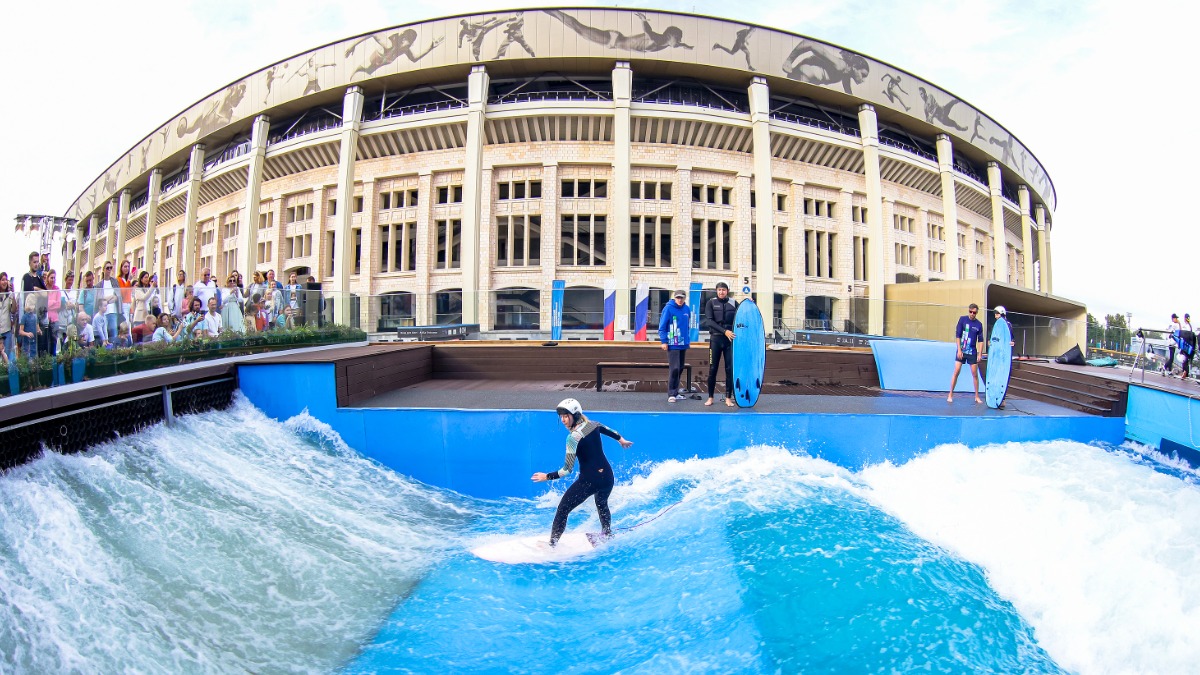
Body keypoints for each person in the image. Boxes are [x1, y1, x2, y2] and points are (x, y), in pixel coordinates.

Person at [532, 398, 633, 547]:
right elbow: (611, 432)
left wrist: (546, 476)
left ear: (575, 415)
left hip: (589, 481)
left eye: (566, 416)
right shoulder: (593, 424)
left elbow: (567, 470)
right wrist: (621, 440)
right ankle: (607, 533)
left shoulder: (573, 438)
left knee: (563, 509)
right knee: (602, 503)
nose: (563, 420)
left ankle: (552, 545)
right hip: (607, 477)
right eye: (561, 417)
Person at [701, 282, 738, 408]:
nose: (721, 292)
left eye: (724, 290)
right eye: (719, 290)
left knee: (729, 369)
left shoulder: (733, 303)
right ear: (716, 291)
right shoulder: (711, 303)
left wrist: (749, 303)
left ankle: (728, 398)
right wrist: (724, 331)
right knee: (713, 369)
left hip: (729, 341)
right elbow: (709, 322)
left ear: (727, 291)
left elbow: (743, 313)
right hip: (716, 340)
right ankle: (710, 397)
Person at [658, 289, 692, 403]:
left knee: (680, 368)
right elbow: (662, 326)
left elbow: (687, 326)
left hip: (683, 343)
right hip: (672, 343)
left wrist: (687, 340)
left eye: (682, 297)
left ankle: (676, 392)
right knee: (674, 368)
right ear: (674, 298)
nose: (680, 300)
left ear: (685, 298)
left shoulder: (687, 309)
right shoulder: (668, 308)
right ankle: (671, 394)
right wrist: (664, 341)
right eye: (678, 297)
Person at [948, 302, 984, 404]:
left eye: (974, 312)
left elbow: (981, 340)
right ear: (968, 311)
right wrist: (959, 350)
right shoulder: (962, 320)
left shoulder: (978, 324)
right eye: (970, 312)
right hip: (962, 349)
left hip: (972, 351)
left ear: (976, 313)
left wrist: (980, 354)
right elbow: (958, 335)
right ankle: (950, 394)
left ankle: (976, 396)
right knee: (956, 371)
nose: (972, 314)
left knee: (974, 374)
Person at [99, 260, 120, 345]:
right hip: (103, 313)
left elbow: (117, 297)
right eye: (107, 268)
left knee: (114, 334)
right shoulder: (99, 284)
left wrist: (107, 299)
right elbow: (100, 299)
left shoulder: (114, 281)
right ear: (103, 269)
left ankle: (114, 350)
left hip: (113, 311)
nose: (109, 270)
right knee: (103, 335)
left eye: (111, 268)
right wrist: (110, 297)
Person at [0, 272, 16, 362]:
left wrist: (13, 294)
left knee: (7, 356)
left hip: (7, 331)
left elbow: (13, 310)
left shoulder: (9, 295)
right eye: (2, 280)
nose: (5, 282)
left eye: (6, 280)